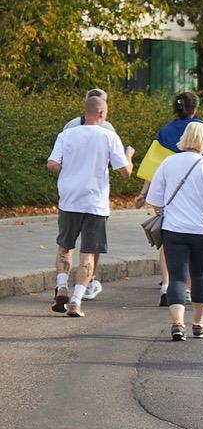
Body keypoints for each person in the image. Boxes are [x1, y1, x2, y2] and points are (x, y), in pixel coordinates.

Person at [47, 94, 135, 317]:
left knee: (65, 247)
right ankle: (76, 301)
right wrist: (129, 155)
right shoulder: (108, 136)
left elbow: (52, 164)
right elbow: (125, 173)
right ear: (103, 114)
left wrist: (64, 167)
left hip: (69, 200)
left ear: (84, 112)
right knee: (88, 252)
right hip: (95, 203)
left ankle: (61, 287)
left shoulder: (66, 135)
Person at [147, 122, 203, 340]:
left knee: (176, 278)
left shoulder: (168, 163)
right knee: (200, 275)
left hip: (174, 229)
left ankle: (177, 324)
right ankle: (198, 322)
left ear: (184, 138)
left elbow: (155, 200)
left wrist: (168, 209)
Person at [134, 90, 203, 306]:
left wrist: (143, 193)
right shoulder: (199, 128)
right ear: (195, 108)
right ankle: (188, 288)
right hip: (193, 191)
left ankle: (167, 285)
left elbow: (153, 165)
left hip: (168, 192)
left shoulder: (165, 131)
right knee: (194, 241)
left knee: (168, 239)